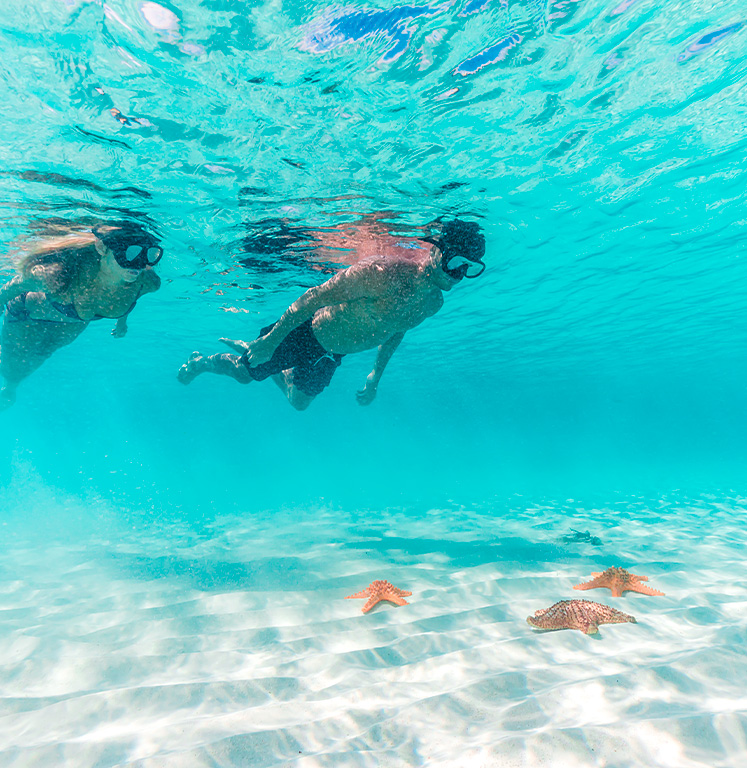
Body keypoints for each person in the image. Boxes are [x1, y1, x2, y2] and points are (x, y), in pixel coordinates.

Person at [178, 218, 485, 409]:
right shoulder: (380, 273)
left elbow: (397, 329)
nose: (458, 274)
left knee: (298, 403)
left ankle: (273, 364)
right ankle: (202, 363)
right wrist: (271, 342)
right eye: (455, 261)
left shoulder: (433, 303)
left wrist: (376, 375)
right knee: (245, 375)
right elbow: (312, 299)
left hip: (334, 353)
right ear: (436, 251)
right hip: (306, 335)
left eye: (469, 268)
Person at [0, 219, 162, 409]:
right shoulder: (60, 274)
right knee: (12, 361)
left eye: (148, 255)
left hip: (72, 323)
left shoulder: (146, 281)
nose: (140, 264)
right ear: (103, 248)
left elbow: (129, 300)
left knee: (42, 354)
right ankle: (11, 383)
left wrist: (121, 322)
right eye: (130, 252)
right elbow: (13, 287)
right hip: (28, 315)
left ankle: (11, 388)